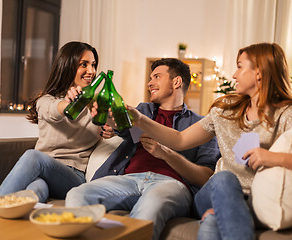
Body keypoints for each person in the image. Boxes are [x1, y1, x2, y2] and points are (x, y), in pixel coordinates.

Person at [125, 43, 292, 240]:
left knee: (212, 224)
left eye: (239, 66)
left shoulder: (287, 115)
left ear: (259, 73)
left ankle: (219, 213)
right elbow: (180, 139)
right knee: (225, 178)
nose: (234, 75)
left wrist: (272, 157)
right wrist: (140, 120)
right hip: (212, 192)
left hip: (253, 200)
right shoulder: (226, 109)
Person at [66, 58, 220, 240]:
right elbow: (121, 125)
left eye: (156, 77)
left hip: (170, 185)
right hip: (128, 180)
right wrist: (101, 112)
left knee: (152, 203)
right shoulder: (143, 111)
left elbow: (205, 176)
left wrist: (166, 155)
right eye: (150, 78)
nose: (149, 83)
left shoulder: (200, 125)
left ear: (176, 81)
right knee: (78, 194)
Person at [0, 41, 115, 203]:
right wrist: (68, 103)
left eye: (93, 65)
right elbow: (54, 111)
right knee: (36, 188)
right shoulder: (46, 100)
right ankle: (19, 220)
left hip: (73, 177)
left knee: (33, 157)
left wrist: (112, 130)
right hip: (41, 171)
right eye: (84, 65)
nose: (91, 71)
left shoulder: (96, 106)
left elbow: (117, 125)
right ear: (67, 66)